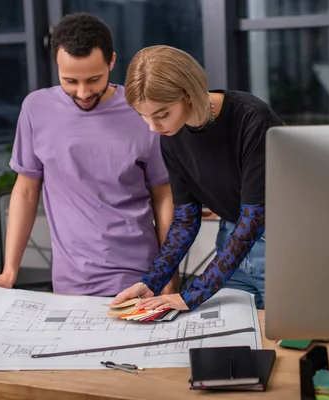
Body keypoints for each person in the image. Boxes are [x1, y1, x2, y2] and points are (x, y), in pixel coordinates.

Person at [0, 13, 177, 297]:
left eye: (94, 79)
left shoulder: (141, 112)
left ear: (112, 62)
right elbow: (26, 192)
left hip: (141, 279)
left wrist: (169, 278)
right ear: (57, 66)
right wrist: (8, 274)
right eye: (70, 80)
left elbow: (163, 195)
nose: (83, 92)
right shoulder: (36, 109)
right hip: (70, 284)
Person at [110, 45, 283, 312]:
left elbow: (254, 219)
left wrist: (192, 294)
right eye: (143, 117)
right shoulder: (171, 137)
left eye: (161, 114)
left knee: (287, 343)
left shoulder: (252, 119)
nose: (153, 127)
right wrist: (152, 281)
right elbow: (185, 219)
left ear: (188, 93)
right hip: (231, 242)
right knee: (235, 340)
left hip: (281, 248)